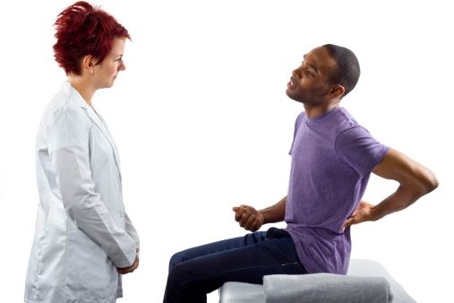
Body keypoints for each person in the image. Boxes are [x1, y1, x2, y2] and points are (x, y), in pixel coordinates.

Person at [162, 44, 439, 303]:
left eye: (309, 72)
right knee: (178, 262)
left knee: (185, 277)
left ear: (334, 91)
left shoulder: (347, 136)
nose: (296, 71)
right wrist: (262, 215)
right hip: (291, 239)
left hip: (312, 258)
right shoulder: (304, 120)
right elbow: (307, 192)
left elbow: (424, 181)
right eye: (302, 63)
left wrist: (375, 213)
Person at [24, 2, 139, 303]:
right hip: (68, 274)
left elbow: (105, 190)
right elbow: (79, 198)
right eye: (117, 59)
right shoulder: (66, 115)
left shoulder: (82, 111)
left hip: (89, 266)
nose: (122, 67)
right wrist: (123, 249)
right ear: (91, 63)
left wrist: (129, 236)